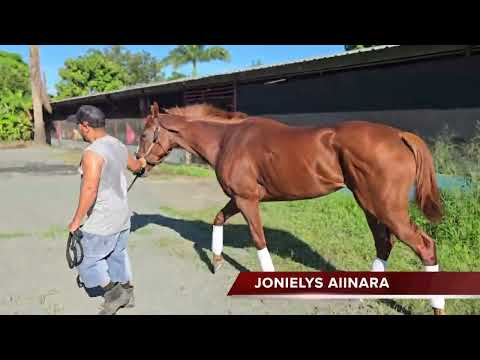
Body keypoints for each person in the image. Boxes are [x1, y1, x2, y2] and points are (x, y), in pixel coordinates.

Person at [67, 105, 146, 315]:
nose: (78, 130)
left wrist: (76, 220)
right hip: (122, 217)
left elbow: (90, 188)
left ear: (85, 126)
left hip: (103, 219)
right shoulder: (118, 144)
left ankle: (114, 293)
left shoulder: (92, 153)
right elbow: (137, 167)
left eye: (78, 126)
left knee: (86, 261)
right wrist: (143, 163)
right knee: (117, 255)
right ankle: (128, 293)